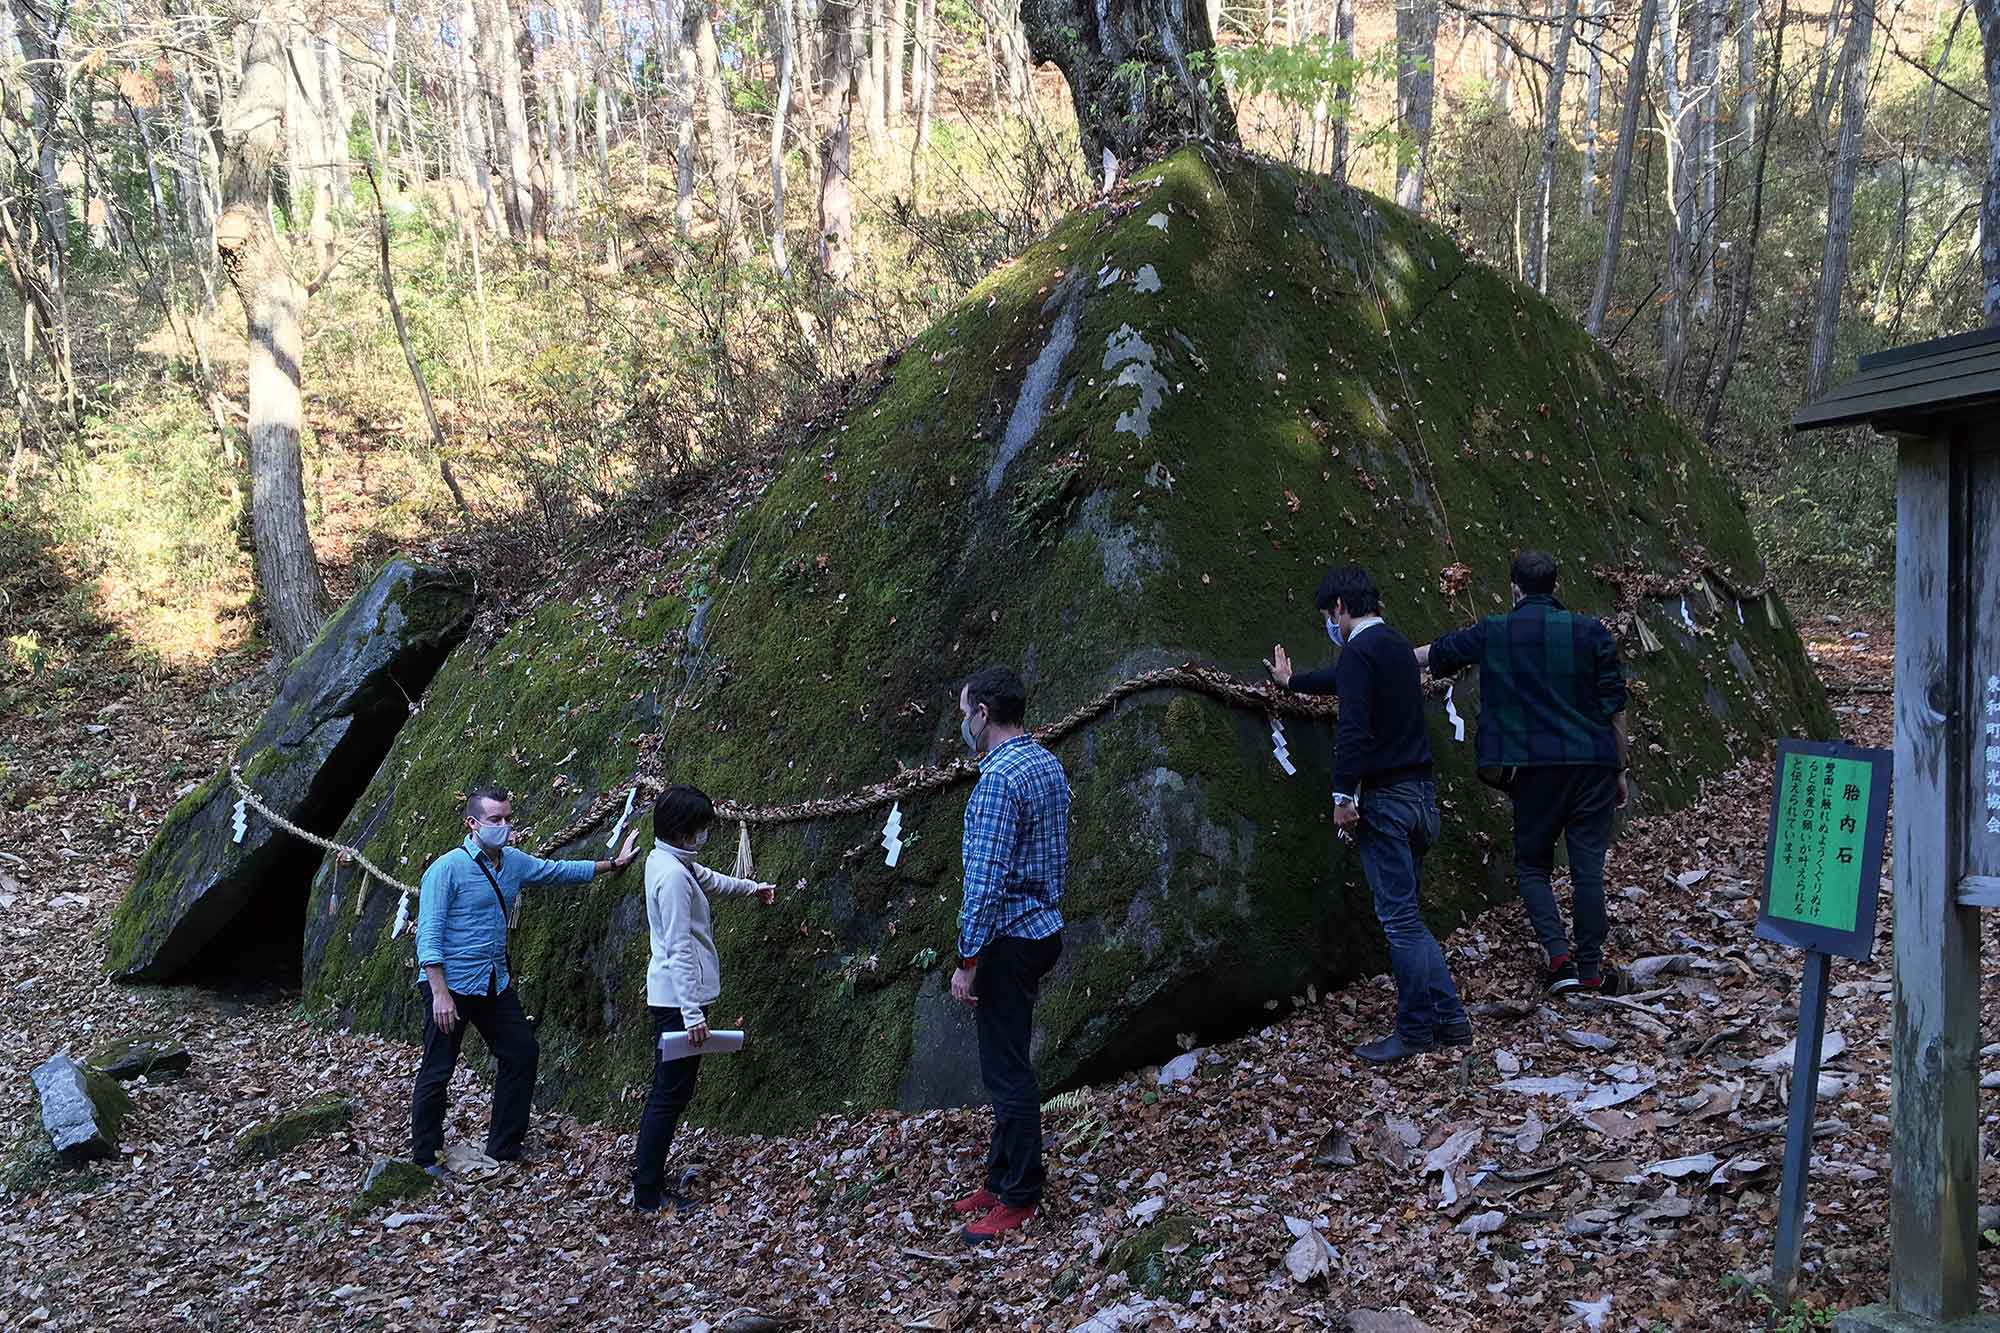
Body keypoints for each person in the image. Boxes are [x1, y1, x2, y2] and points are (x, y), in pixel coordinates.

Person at [1265, 565, 1470, 1064]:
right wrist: (1294, 683)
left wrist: (1342, 797)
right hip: (1422, 799)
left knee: (1399, 925)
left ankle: (1415, 1031)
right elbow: (1340, 680)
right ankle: (1451, 1020)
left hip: (1387, 802)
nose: (1328, 626)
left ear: (1339, 608)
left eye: (1327, 616)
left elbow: (1353, 727)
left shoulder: (1359, 651)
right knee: (1411, 921)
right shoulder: (1397, 647)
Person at [1416, 550, 1633, 997]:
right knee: (1587, 867)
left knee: (1533, 865)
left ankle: (1558, 958)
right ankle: (1591, 968)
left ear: (1513, 588)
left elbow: (1437, 653)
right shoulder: (1591, 632)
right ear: (1556, 587)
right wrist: (1621, 768)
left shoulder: (1496, 632)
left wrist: (1374, 648)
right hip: (1593, 763)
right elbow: (1616, 707)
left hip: (1533, 767)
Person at [410, 785, 640, 1174]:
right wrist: (439, 994)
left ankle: (503, 1147)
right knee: (438, 1068)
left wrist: (612, 865)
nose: (504, 826)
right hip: (449, 984)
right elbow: (428, 934)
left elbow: (556, 872)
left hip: (492, 981)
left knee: (521, 1052)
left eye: (507, 818)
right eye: (495, 819)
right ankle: (425, 1157)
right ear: (473, 823)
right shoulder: (446, 869)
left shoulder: (513, 862)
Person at [948, 665, 1070, 1245]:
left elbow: (986, 881)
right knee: (1009, 1059)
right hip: (1043, 927)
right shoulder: (1045, 761)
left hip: (1009, 938)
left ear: (985, 715)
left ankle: (1020, 1194)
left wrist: (967, 959)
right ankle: (1000, 1177)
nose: (961, 723)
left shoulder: (998, 780)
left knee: (1006, 1071)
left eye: (964, 712)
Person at [631, 784, 777, 1215]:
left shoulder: (669, 860)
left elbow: (708, 878)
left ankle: (649, 1178)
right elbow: (677, 946)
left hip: (676, 997)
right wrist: (692, 1014)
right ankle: (648, 1191)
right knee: (668, 1094)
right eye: (699, 828)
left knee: (673, 1091)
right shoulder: (672, 875)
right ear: (682, 831)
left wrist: (752, 888)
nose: (704, 835)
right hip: (678, 1000)